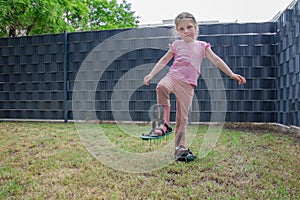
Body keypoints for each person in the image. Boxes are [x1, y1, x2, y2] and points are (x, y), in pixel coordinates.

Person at [143, 12, 246, 161]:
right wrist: (151, 74)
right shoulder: (177, 45)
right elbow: (163, 60)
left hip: (188, 86)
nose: (186, 31)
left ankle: (180, 149)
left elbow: (216, 60)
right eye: (181, 29)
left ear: (196, 28)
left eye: (189, 27)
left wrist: (231, 74)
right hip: (173, 77)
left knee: (182, 119)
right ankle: (164, 124)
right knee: (161, 87)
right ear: (177, 31)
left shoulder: (202, 46)